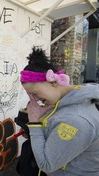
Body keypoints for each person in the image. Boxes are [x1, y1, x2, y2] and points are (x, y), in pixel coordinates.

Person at [19, 46, 99, 175]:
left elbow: (47, 164)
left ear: (53, 82)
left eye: (34, 92)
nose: (35, 99)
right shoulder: (68, 100)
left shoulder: (75, 120)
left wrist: (34, 125)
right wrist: (35, 131)